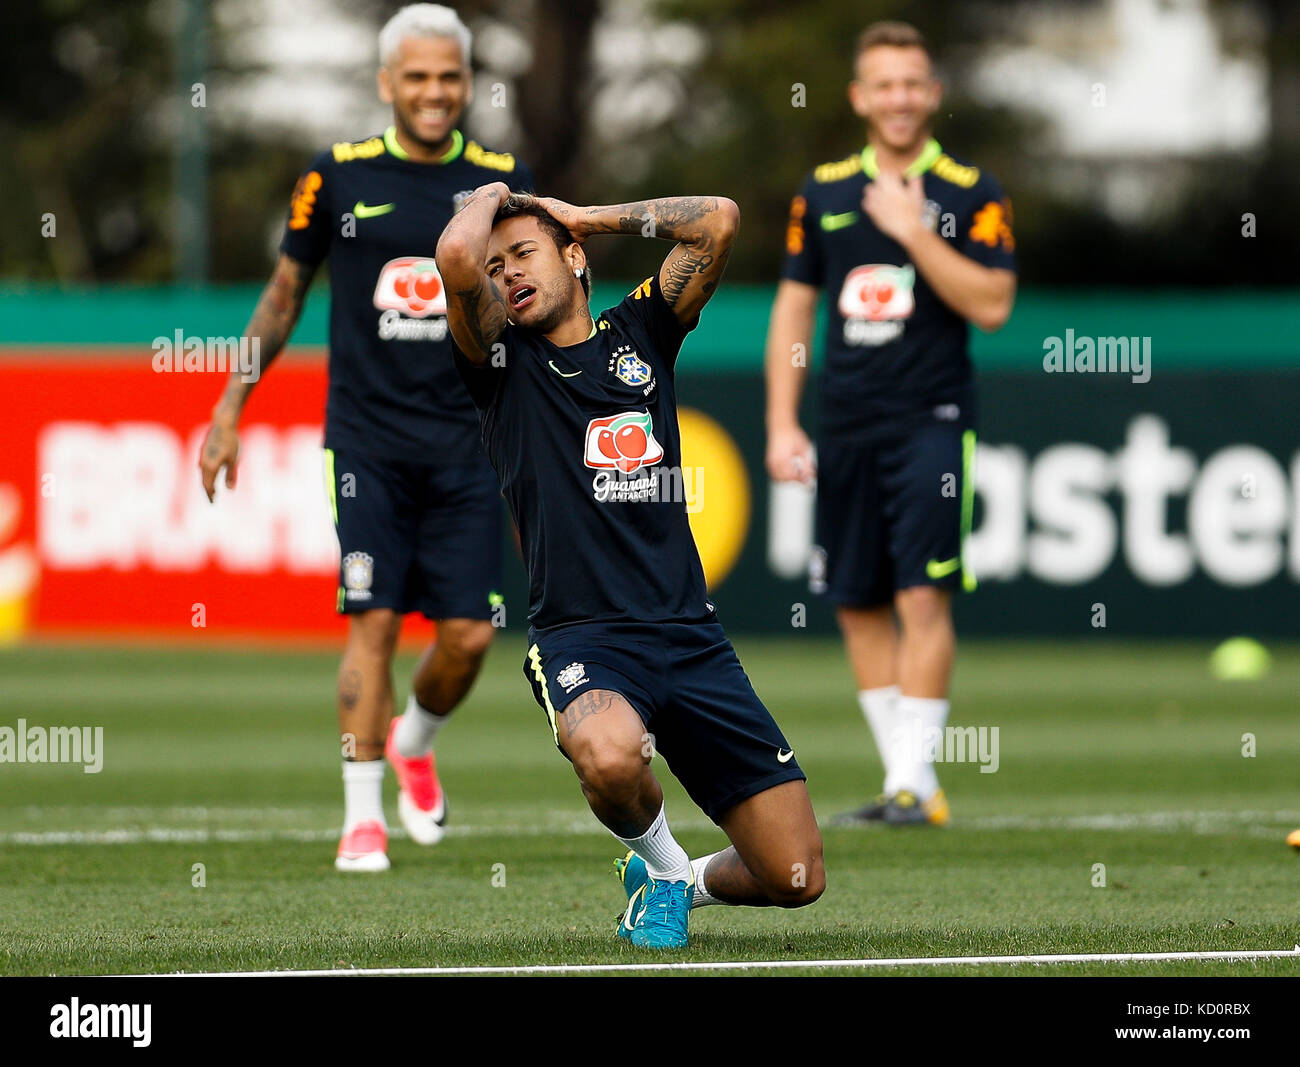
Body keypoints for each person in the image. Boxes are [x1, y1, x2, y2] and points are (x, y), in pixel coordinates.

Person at [436, 186, 824, 948]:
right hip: (583, 638)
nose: (508, 273)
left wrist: (588, 216)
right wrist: (491, 195)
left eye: (525, 253)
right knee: (611, 756)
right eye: (497, 266)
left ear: (574, 257)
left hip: (691, 638)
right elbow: (455, 254)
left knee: (795, 875)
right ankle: (665, 866)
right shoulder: (500, 361)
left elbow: (719, 221)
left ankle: (676, 882)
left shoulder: (640, 330)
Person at [198, 5, 534, 870]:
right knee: (372, 619)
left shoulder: (502, 182)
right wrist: (230, 406)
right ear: (387, 83)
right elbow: (283, 296)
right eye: (416, 76)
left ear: (468, 82)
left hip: (472, 442)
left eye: (448, 76)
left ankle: (414, 740)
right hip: (367, 442)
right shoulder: (336, 176)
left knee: (469, 636)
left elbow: (538, 302)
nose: (433, 91)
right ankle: (361, 818)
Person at [764, 21, 1016, 826]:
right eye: (885, 84)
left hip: (932, 418)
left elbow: (993, 305)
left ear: (933, 94)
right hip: (845, 420)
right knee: (856, 599)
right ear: (860, 98)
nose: (900, 98)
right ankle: (910, 780)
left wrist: (914, 233)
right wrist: (782, 421)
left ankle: (911, 783)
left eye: (913, 83)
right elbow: (795, 308)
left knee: (921, 593)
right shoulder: (823, 190)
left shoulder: (972, 191)